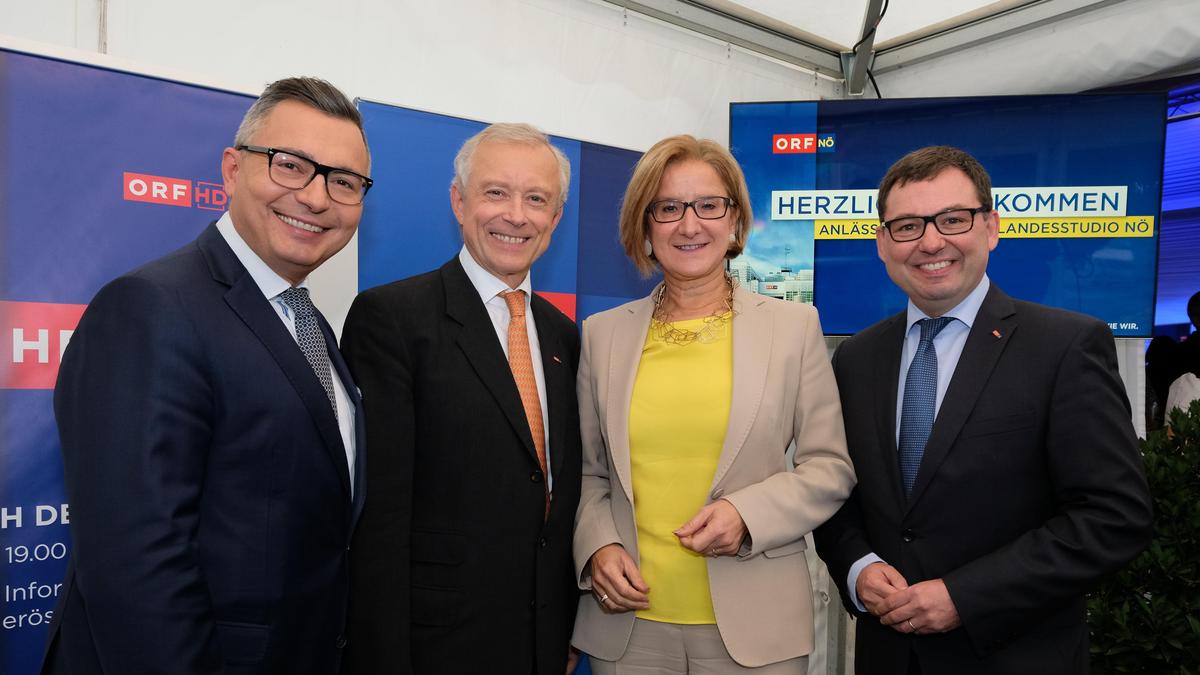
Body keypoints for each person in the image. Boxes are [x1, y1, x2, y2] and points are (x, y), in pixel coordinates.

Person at [43, 77, 371, 674]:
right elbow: (136, 564)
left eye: (343, 182)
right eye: (291, 165)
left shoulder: (309, 321)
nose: (317, 197)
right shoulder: (150, 307)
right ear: (232, 168)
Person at [813, 146, 1153, 675]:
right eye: (906, 226)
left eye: (952, 219)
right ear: (882, 243)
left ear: (991, 228)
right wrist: (858, 567)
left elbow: (1114, 515)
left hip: (1017, 656)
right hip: (888, 656)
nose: (931, 241)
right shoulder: (856, 358)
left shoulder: (1065, 346)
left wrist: (965, 596)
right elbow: (835, 489)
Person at [571, 134, 856, 673]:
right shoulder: (602, 335)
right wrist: (598, 549)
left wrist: (746, 515)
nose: (689, 224)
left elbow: (830, 468)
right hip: (628, 625)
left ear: (734, 222)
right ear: (645, 226)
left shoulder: (793, 328)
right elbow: (590, 474)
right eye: (669, 208)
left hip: (757, 628)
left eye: (709, 205)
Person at [340, 123, 581, 674]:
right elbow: (379, 514)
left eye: (536, 199)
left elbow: (555, 497)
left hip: (540, 640)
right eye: (496, 192)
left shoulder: (564, 337)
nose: (515, 214)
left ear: (556, 217)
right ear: (458, 200)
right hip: (434, 645)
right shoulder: (393, 319)